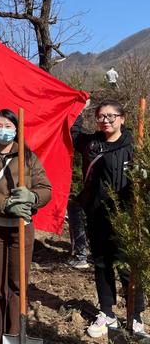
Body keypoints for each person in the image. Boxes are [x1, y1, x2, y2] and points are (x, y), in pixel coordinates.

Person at [0, 109, 51, 344]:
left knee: (18, 284)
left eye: (8, 126)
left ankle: (15, 334)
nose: (3, 130)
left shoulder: (27, 156)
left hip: (21, 228)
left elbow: (45, 188)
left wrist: (32, 197)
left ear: (16, 129)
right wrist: (5, 205)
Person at [72, 100, 147, 338]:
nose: (105, 120)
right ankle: (107, 312)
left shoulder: (134, 145)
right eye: (101, 116)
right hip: (97, 215)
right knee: (102, 264)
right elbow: (71, 131)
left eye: (111, 116)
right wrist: (76, 105)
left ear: (122, 118)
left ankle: (135, 316)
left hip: (127, 217)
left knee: (128, 266)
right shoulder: (91, 143)